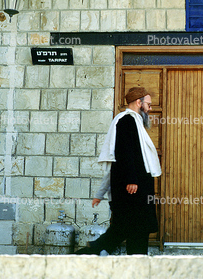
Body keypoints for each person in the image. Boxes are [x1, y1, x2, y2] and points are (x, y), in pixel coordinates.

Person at [75, 87, 161, 255]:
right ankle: (90, 252)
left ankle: (97, 251)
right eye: (148, 105)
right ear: (139, 102)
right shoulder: (126, 121)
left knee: (130, 228)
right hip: (132, 188)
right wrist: (132, 179)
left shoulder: (134, 121)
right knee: (132, 227)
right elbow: (124, 151)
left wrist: (101, 193)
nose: (150, 109)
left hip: (137, 187)